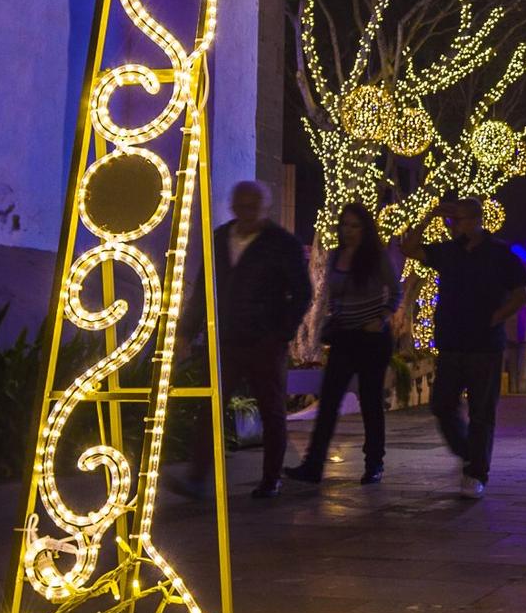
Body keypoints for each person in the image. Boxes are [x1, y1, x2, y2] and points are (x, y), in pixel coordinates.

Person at [171, 180, 312, 501]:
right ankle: (198, 477)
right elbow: (205, 290)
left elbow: (302, 292)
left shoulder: (282, 243)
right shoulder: (221, 238)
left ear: (265, 209)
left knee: (271, 408)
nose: (247, 213)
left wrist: (281, 332)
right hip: (226, 339)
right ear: (233, 206)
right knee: (211, 406)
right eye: (242, 206)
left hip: (265, 340)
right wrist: (186, 331)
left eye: (254, 207)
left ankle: (271, 478)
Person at [402, 196, 526, 499]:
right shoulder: (448, 252)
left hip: (485, 345)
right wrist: (428, 217)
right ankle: (469, 453)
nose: (453, 226)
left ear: (476, 220)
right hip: (451, 342)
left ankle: (476, 473)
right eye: (451, 221)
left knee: (482, 411)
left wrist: (494, 318)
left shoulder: (500, 254)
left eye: (458, 220)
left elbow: (521, 295)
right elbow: (408, 249)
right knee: (442, 404)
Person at [285, 203, 401, 486]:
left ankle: (374, 463)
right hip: (345, 337)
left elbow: (395, 292)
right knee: (329, 400)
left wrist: (382, 318)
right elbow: (330, 296)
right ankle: (313, 465)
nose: (348, 231)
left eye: (355, 226)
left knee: (371, 402)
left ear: (365, 229)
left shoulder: (377, 257)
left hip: (372, 338)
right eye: (345, 225)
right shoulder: (336, 256)